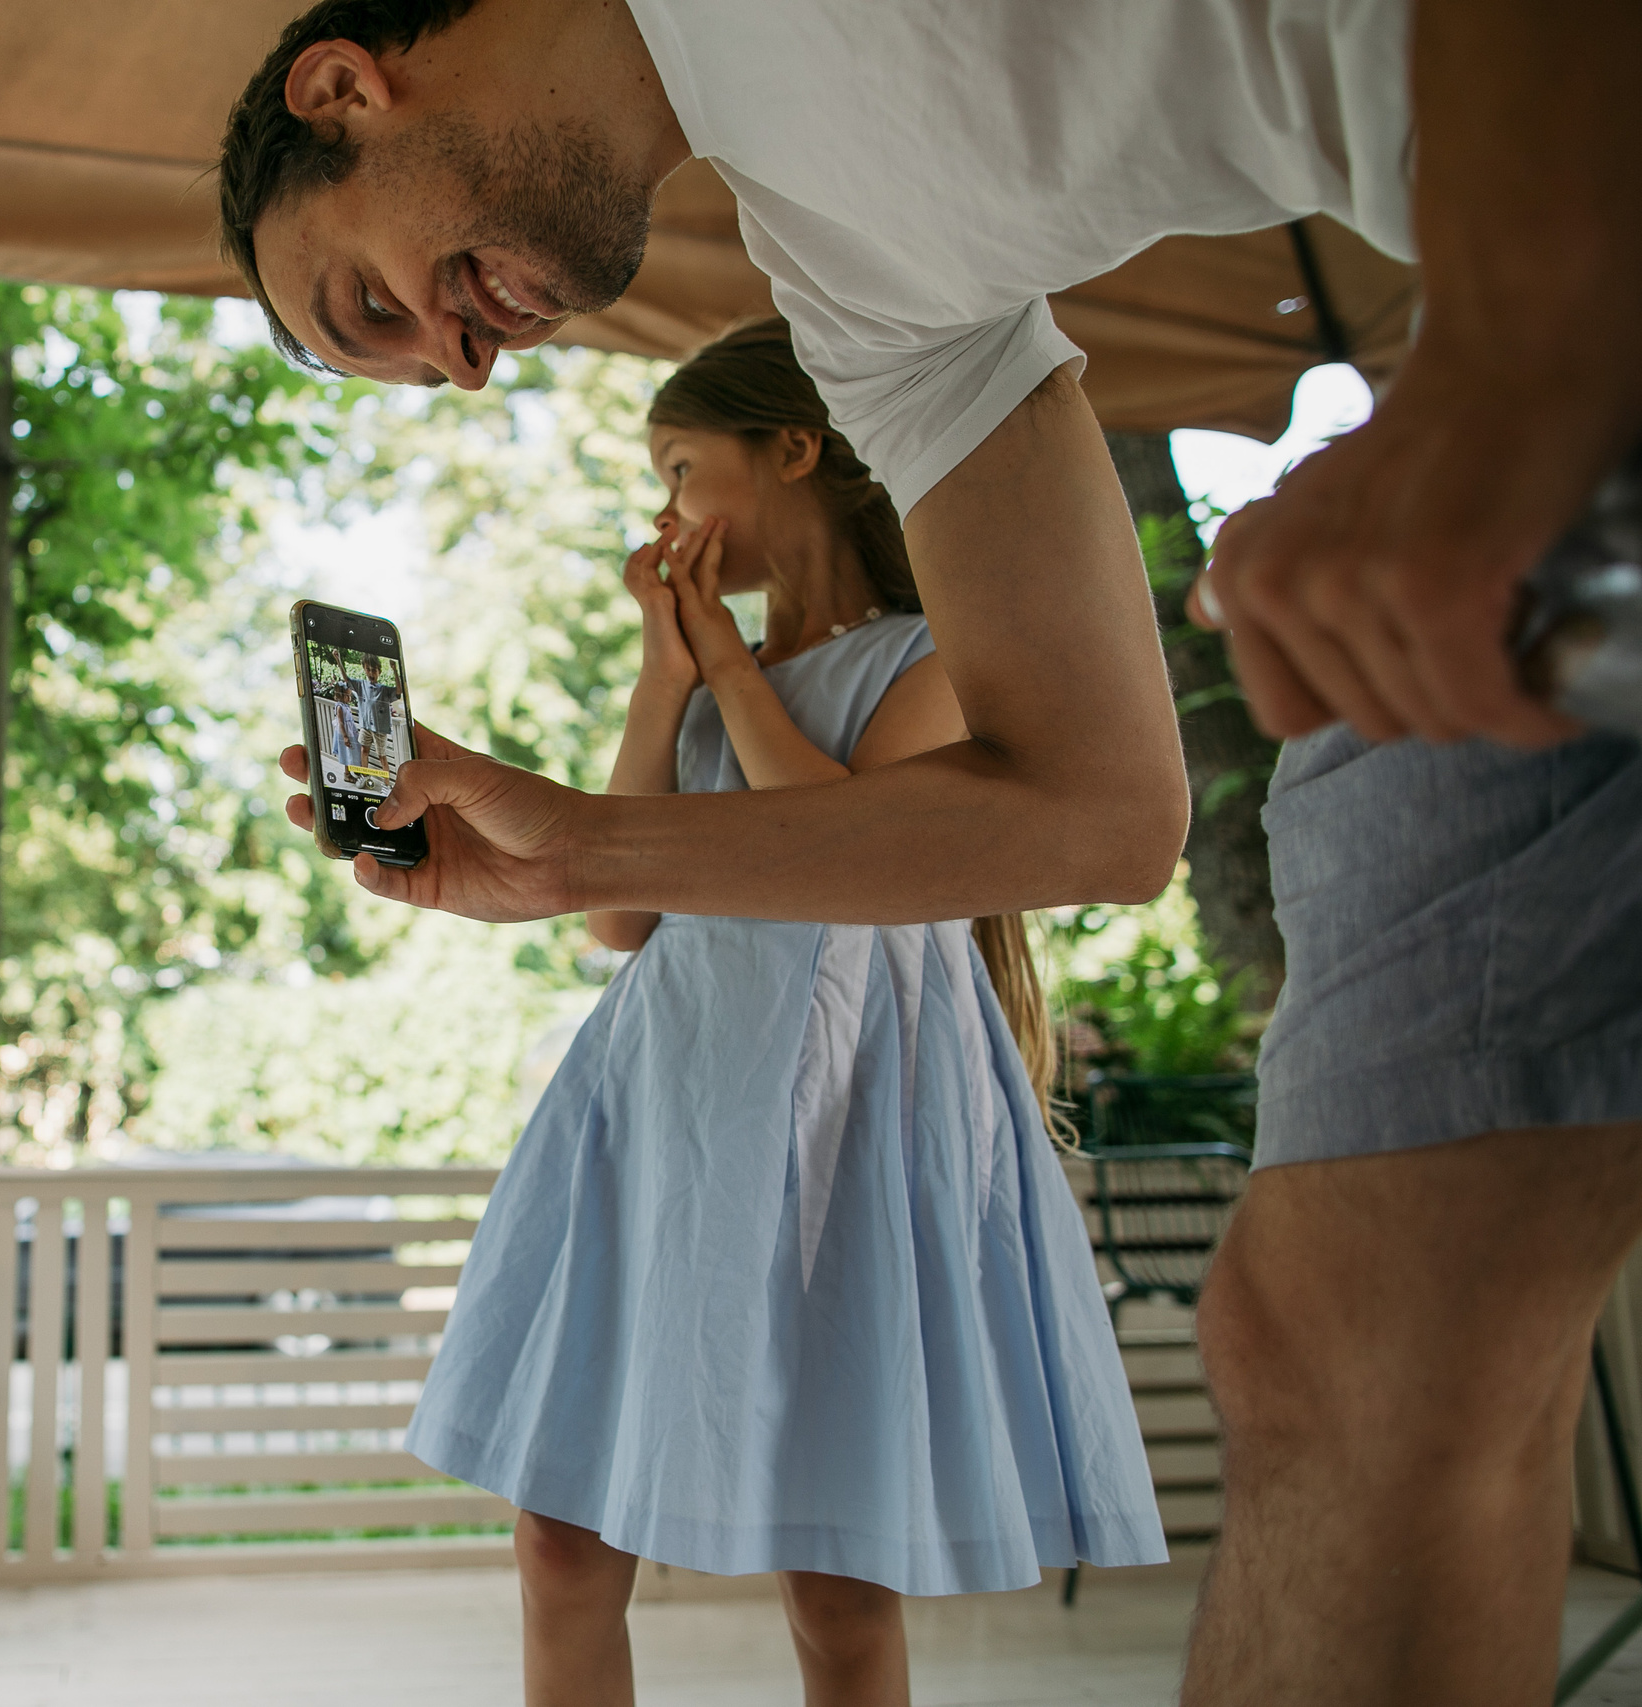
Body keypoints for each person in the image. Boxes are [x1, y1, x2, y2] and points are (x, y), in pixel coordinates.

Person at [223, 5, 1639, 1700]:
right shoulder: (855, 283)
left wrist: (1519, 357)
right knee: (1349, 1339)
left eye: (365, 298)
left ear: (344, 86)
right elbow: (1102, 812)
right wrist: (580, 847)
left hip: (1567, 357)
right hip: (1567, 471)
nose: (456, 366)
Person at [406, 321, 1164, 1707]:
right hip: (670, 1095)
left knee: (834, 1577)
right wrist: (667, 670)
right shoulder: (702, 686)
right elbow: (616, 914)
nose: (666, 511)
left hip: (838, 1107)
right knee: (560, 1534)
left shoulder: (927, 658)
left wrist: (736, 672)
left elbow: (847, 850)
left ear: (792, 451)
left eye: (686, 468)